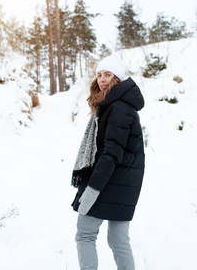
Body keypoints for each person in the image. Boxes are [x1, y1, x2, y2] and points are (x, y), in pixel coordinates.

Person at [71, 54, 145, 270]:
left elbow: (111, 153)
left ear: (118, 79)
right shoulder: (122, 106)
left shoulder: (117, 109)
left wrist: (92, 188)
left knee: (85, 235)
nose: (102, 79)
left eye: (108, 74)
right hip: (125, 186)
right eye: (99, 74)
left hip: (108, 182)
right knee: (119, 241)